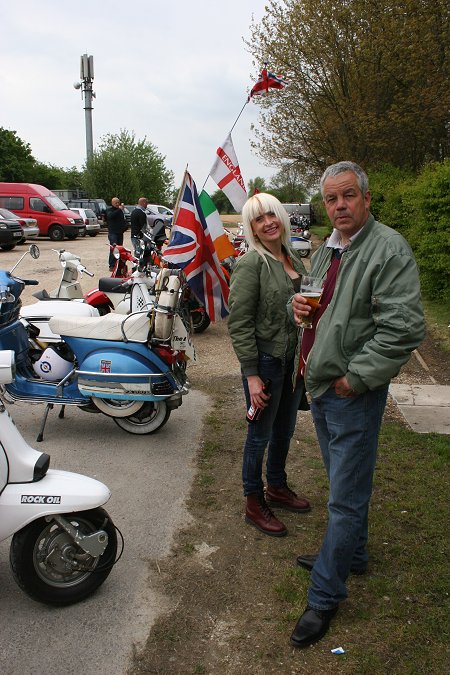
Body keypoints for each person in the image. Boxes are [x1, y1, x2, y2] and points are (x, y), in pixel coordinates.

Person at [288, 161, 424, 648]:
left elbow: (403, 328)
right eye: (331, 199)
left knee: (345, 497)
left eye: (348, 196)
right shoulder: (328, 248)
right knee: (341, 482)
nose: (340, 206)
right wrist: (296, 307)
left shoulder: (387, 249)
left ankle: (324, 595)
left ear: (366, 198)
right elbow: (308, 300)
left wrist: (357, 379)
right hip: (322, 387)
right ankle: (355, 555)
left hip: (351, 394)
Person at [228, 193, 311, 538]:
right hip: (266, 363)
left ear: (281, 217)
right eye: (258, 219)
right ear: (251, 228)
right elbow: (239, 322)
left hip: (293, 362)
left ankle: (276, 486)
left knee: (285, 430)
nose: (268, 222)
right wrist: (252, 376)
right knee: (259, 436)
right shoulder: (252, 264)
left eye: (271, 215)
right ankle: (253, 500)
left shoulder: (293, 257)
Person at [106, 197, 128, 270]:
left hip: (120, 233)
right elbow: (110, 216)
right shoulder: (110, 210)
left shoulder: (120, 211)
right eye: (116, 203)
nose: (117, 204)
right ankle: (111, 265)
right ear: (112, 203)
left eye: (118, 202)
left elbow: (123, 219)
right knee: (114, 248)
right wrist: (119, 209)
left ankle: (118, 264)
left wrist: (125, 227)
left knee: (120, 249)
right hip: (113, 233)